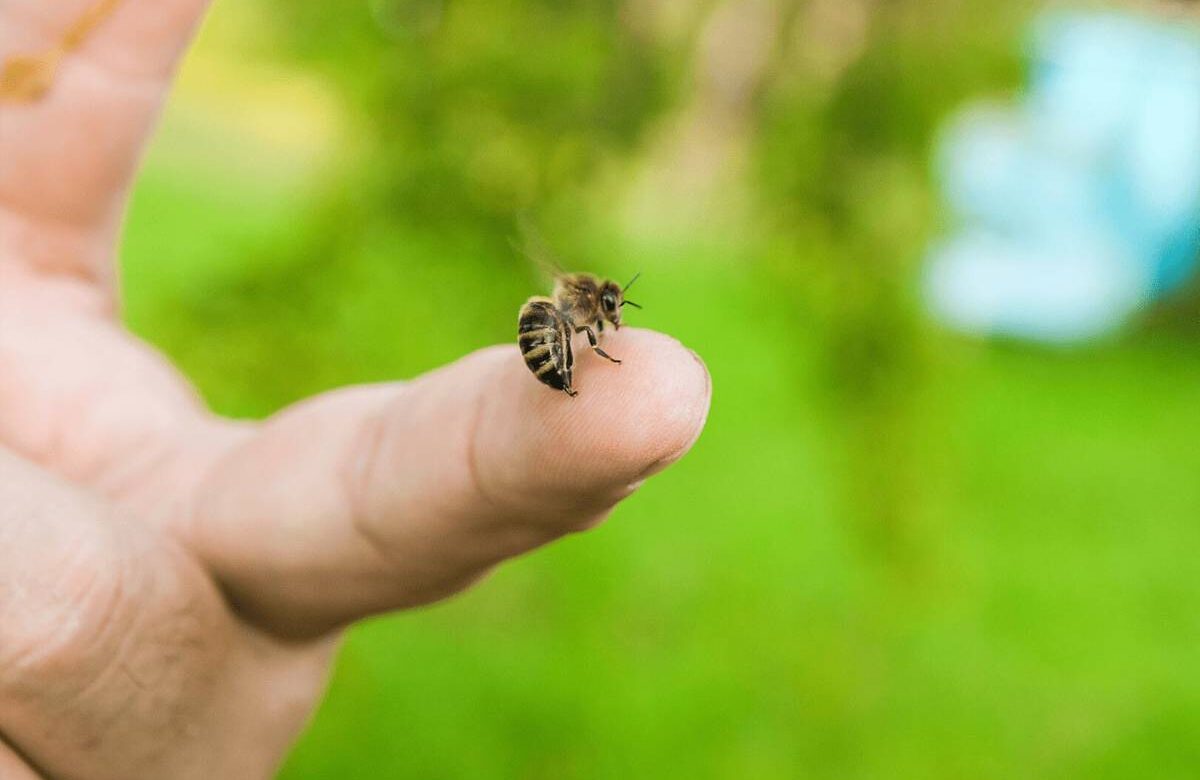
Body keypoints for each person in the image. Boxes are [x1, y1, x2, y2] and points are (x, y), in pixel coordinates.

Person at [0, 1, 711, 776]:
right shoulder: (573, 313)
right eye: (608, 309)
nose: (611, 316)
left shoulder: (582, 315)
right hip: (547, 352)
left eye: (609, 313)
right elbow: (569, 325)